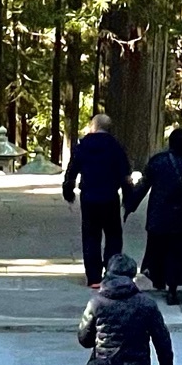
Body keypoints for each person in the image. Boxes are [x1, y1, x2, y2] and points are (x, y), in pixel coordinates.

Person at [125, 126, 182, 304]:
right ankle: (172, 288)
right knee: (176, 252)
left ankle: (158, 279)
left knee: (157, 250)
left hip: (158, 214)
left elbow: (143, 186)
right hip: (179, 217)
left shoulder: (157, 161)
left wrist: (130, 205)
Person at [62, 110, 135, 288]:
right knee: (113, 236)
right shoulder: (116, 146)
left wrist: (68, 189)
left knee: (91, 236)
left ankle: (93, 277)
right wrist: (128, 197)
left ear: (93, 127)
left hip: (89, 198)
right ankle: (111, 272)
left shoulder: (83, 145)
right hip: (110, 197)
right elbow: (125, 174)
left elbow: (73, 169)